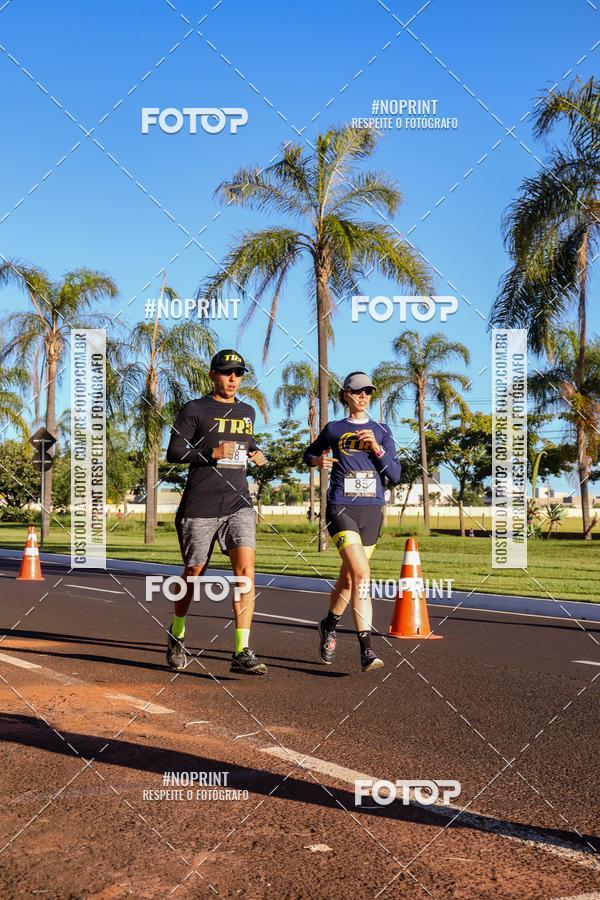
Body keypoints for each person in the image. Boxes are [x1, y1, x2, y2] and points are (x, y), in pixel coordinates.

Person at [165, 349, 267, 675]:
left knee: (246, 574)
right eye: (227, 373)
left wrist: (255, 451)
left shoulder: (247, 411)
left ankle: (241, 651)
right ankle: (177, 633)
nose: (233, 378)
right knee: (194, 574)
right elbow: (175, 452)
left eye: (238, 373)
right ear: (213, 375)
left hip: (238, 502)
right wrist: (211, 452)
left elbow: (242, 442)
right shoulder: (194, 409)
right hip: (201, 505)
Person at [303, 372, 401, 672]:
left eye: (368, 392)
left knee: (348, 580)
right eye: (357, 392)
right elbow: (309, 453)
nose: (363, 397)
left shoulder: (381, 430)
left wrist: (377, 449)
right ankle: (367, 650)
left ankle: (329, 624)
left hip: (371, 511)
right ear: (345, 394)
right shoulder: (334, 429)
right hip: (341, 507)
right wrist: (317, 460)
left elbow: (395, 475)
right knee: (362, 573)